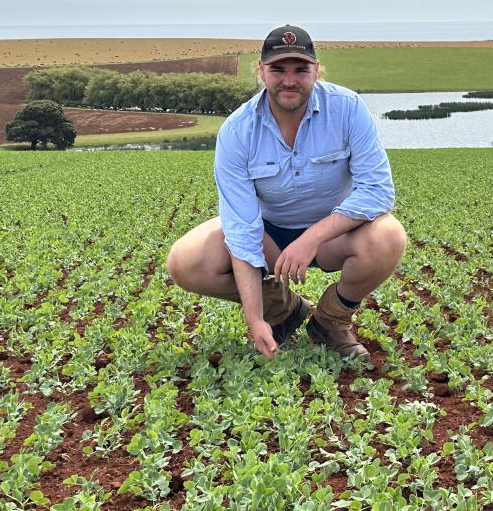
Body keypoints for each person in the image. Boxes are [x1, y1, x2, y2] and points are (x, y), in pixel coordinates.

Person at [167, 25, 406, 359]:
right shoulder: (237, 131)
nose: (289, 80)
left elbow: (377, 190)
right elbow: (241, 227)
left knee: (389, 237)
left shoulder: (348, 108)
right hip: (269, 234)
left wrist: (312, 238)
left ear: (316, 70)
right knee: (186, 262)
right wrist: (254, 318)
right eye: (278, 69)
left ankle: (330, 321)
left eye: (300, 70)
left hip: (333, 235)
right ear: (262, 71)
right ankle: (283, 311)